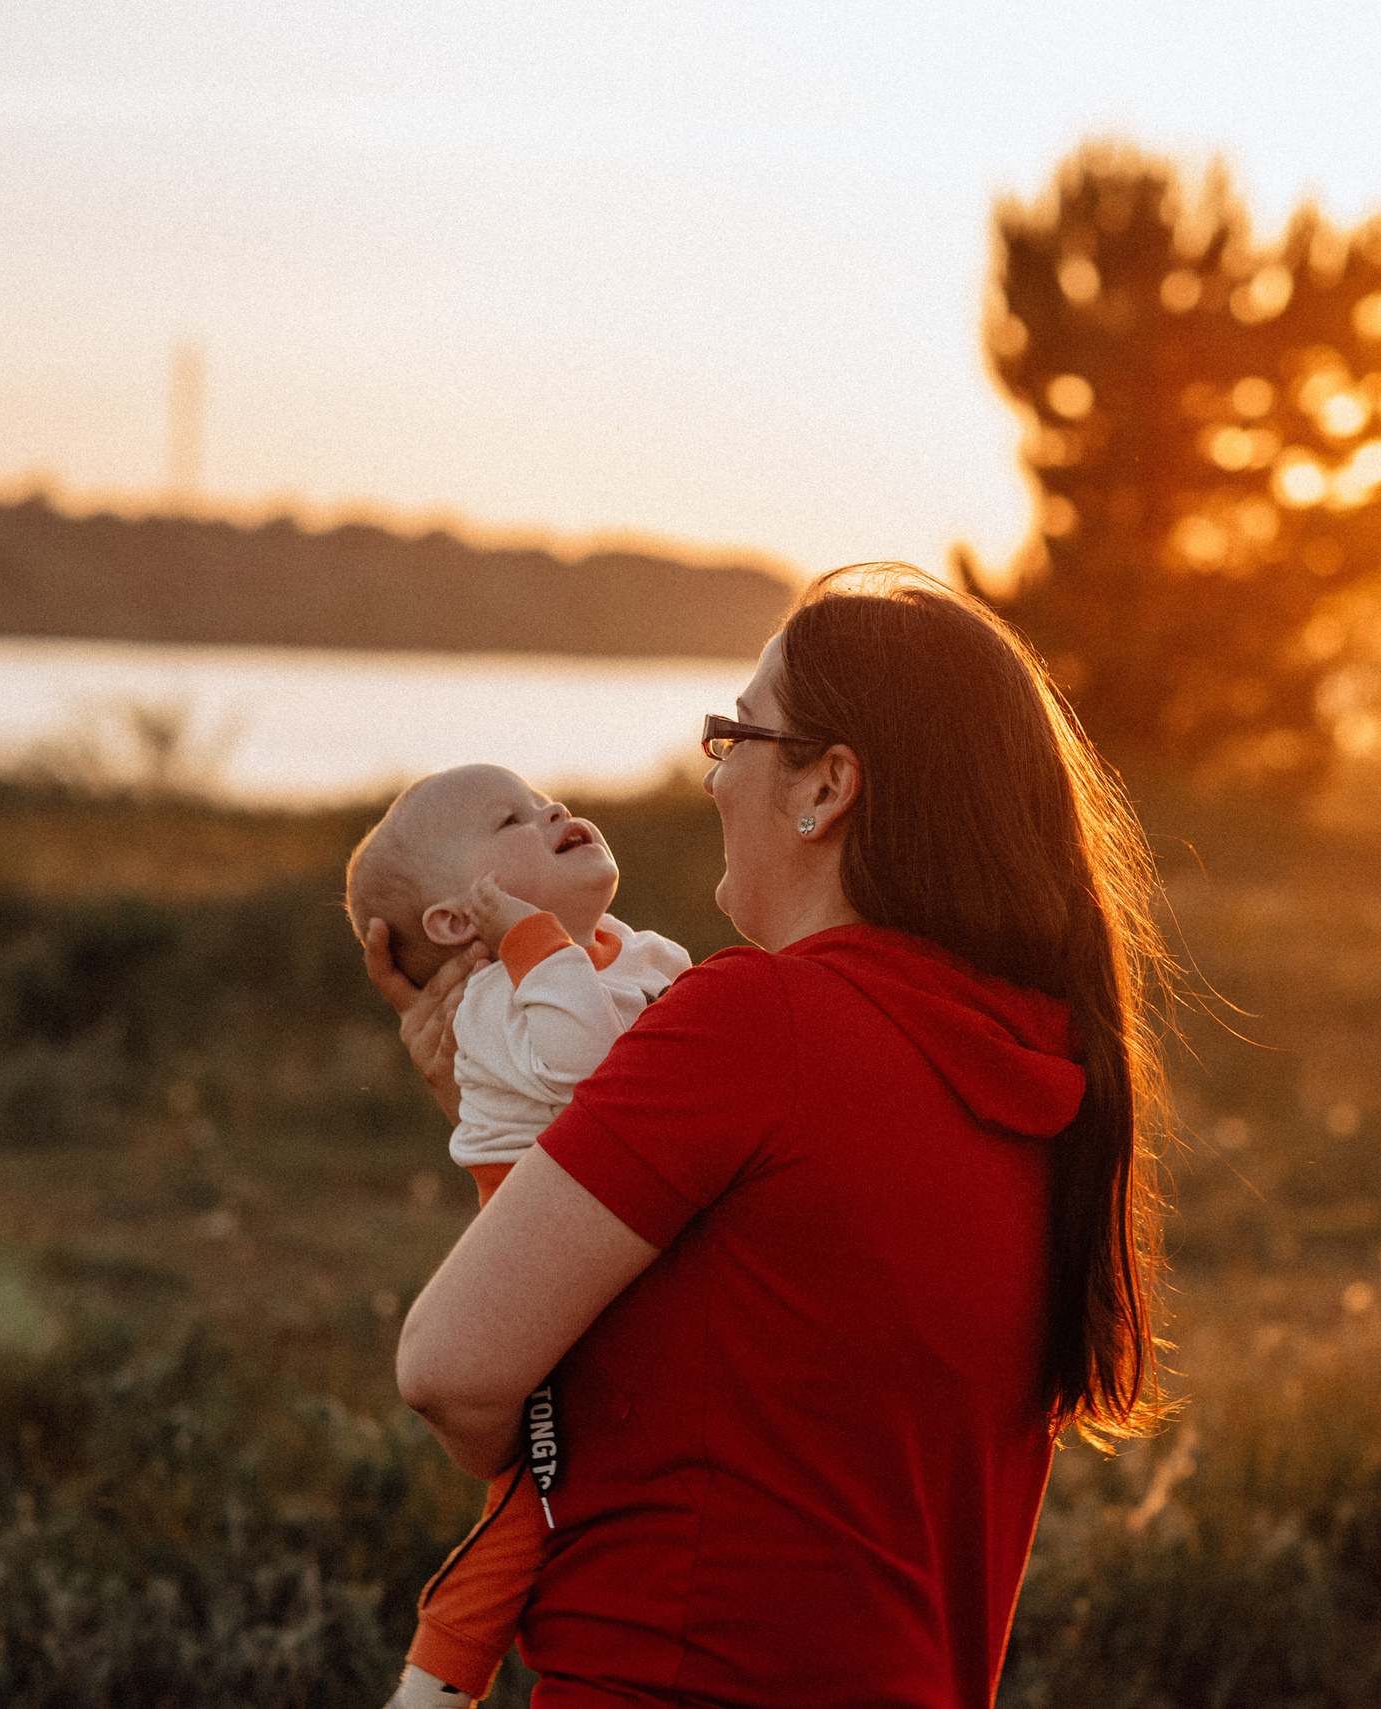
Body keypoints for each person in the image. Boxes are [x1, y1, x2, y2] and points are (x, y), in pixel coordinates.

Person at [361, 565, 1169, 1706]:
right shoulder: (1028, 1062)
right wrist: (498, 1094)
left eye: (733, 731)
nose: (712, 774)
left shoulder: (756, 1024)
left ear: (826, 785)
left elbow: (450, 1368)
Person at [346, 763, 692, 1706]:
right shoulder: (498, 999)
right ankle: (435, 1682)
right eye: (512, 818)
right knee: (531, 1498)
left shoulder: (639, 952)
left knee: (566, 1484)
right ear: (464, 923)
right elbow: (591, 1066)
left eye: (545, 800)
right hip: (533, 1225)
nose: (554, 812)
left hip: (607, 1226)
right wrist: (537, 941)